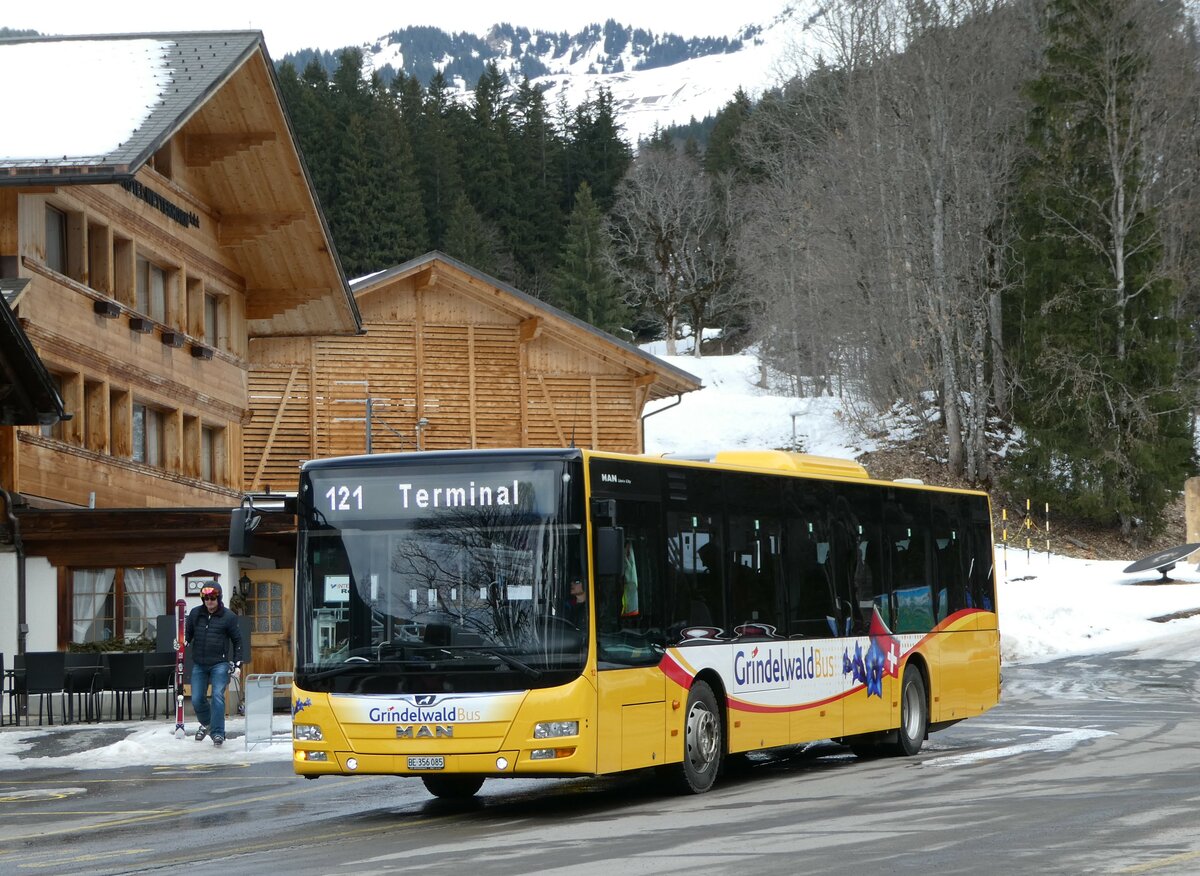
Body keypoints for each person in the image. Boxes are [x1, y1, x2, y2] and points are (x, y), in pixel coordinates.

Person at [186, 583, 244, 746]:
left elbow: (237, 640)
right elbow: (188, 635)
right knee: (197, 699)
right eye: (206, 598)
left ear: (218, 598)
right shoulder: (195, 613)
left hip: (220, 663)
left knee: (218, 696)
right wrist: (182, 642)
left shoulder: (229, 616)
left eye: (213, 598)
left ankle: (218, 733)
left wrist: (238, 664)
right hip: (199, 663)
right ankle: (208, 724)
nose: (209, 601)